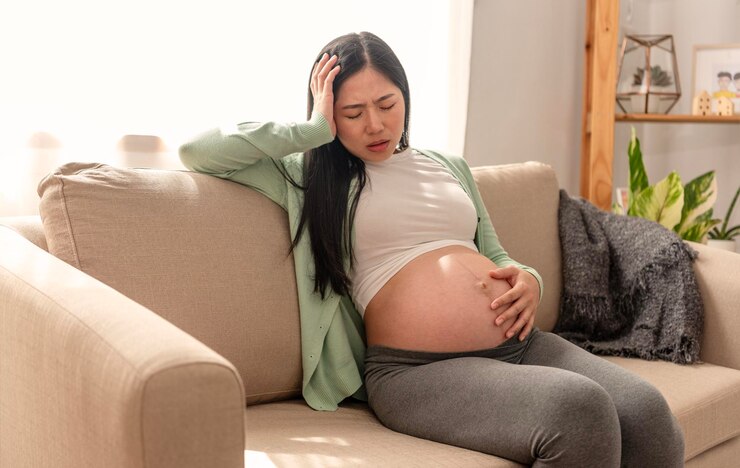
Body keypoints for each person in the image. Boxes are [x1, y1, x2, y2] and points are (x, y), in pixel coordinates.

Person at [179, 31, 684, 467]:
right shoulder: (308, 177)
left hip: (520, 344)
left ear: (406, 96)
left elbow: (498, 255)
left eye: (387, 104)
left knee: (647, 413)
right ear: (329, 112)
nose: (374, 125)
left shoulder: (446, 165)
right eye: (352, 112)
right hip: (416, 371)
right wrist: (310, 132)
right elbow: (199, 152)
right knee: (577, 411)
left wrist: (529, 279)